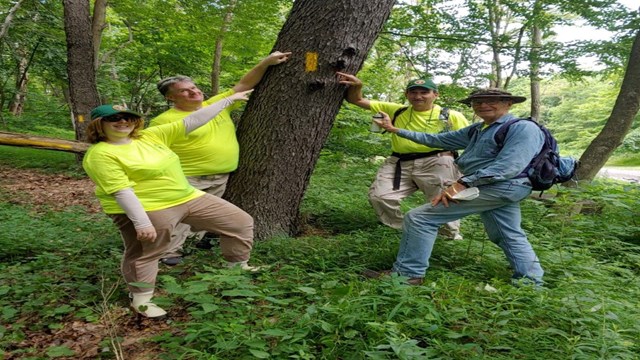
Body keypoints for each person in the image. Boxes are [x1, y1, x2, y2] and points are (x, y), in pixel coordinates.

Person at [83, 92, 257, 318]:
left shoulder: (150, 136)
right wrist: (142, 222)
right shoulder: (100, 154)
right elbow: (121, 191)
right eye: (114, 119)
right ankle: (141, 300)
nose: (123, 122)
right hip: (147, 206)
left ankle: (236, 268)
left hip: (186, 196)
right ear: (99, 125)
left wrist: (226, 101)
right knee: (147, 251)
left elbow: (192, 120)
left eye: (127, 117)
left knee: (240, 222)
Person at [367, 88, 545, 286]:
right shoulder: (479, 129)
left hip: (501, 186)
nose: (483, 105)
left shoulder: (523, 128)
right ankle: (531, 283)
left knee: (420, 218)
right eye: (477, 102)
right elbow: (437, 140)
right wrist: (396, 130)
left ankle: (407, 275)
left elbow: (509, 167)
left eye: (491, 100)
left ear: (508, 103)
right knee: (507, 233)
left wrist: (462, 183)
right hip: (496, 188)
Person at [150, 51, 291, 265]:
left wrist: (266, 62)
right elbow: (154, 151)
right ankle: (169, 254)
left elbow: (244, 84)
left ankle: (189, 246)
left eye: (193, 87)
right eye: (184, 91)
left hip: (221, 177)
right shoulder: (163, 121)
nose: (193, 92)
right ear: (170, 97)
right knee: (179, 216)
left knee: (204, 217)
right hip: (188, 177)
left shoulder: (217, 105)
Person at [336, 72, 469, 239]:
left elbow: (469, 142)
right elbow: (357, 100)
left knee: (444, 198)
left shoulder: (451, 116)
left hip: (438, 160)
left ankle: (448, 237)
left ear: (435, 94)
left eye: (424, 92)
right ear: (407, 94)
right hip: (399, 161)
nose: (418, 96)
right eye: (413, 92)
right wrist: (358, 86)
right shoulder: (397, 110)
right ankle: (405, 232)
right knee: (379, 196)